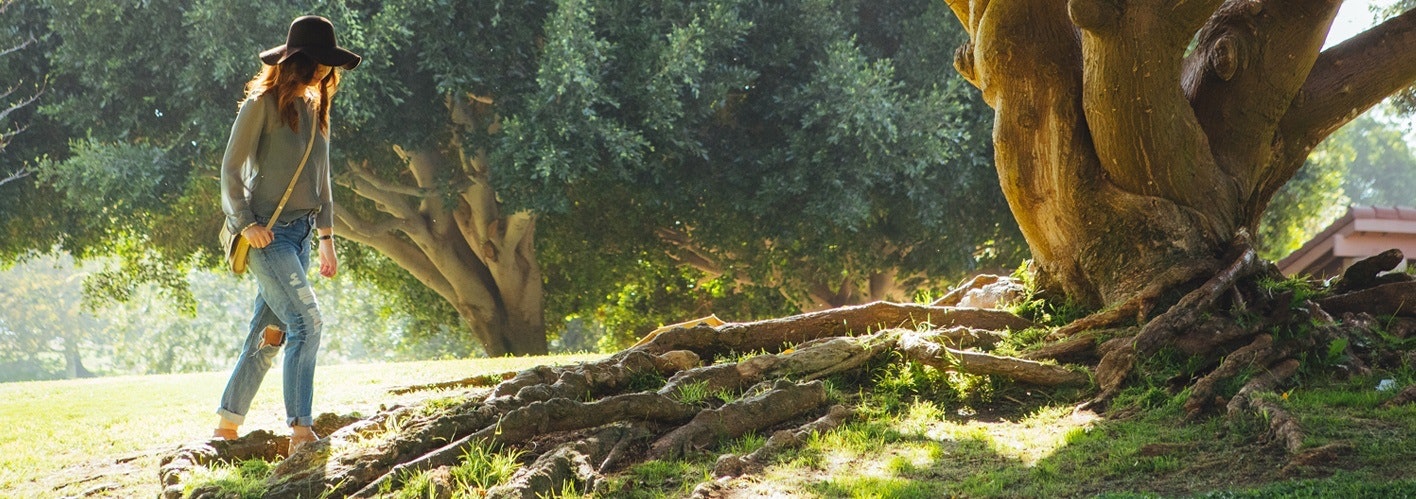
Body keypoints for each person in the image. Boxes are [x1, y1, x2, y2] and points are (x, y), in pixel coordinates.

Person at [213, 15, 360, 455]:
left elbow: (323, 179)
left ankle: (226, 426)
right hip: (266, 234)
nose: (325, 72)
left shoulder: (317, 109)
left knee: (269, 333)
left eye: (328, 66)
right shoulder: (260, 104)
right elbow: (230, 170)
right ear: (299, 60)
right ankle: (300, 431)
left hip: (299, 237)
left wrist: (328, 239)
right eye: (319, 62)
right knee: (306, 321)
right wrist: (246, 223)